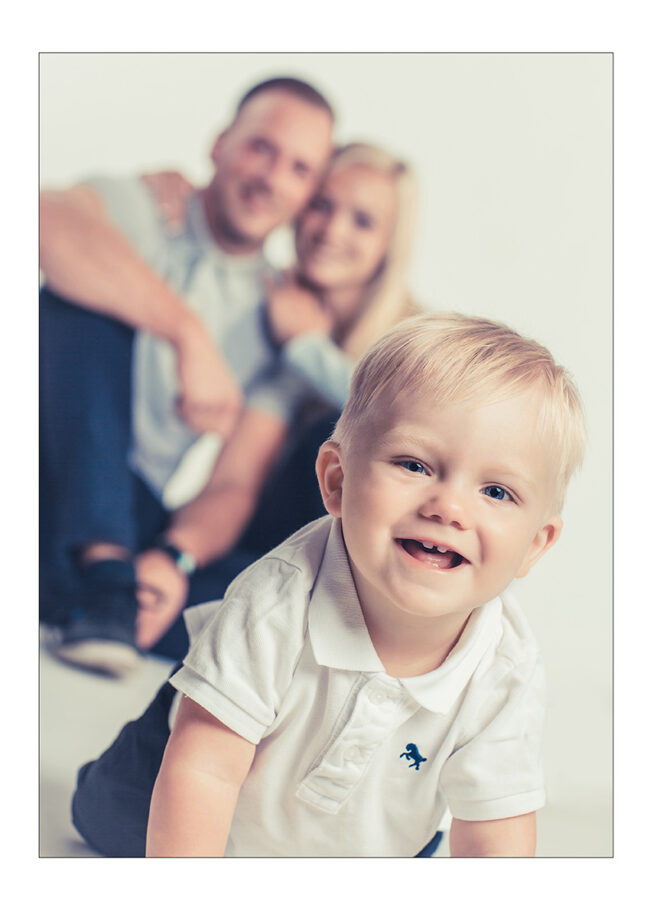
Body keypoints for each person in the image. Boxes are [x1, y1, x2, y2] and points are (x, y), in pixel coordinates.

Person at [71, 313, 586, 857]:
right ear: (337, 481)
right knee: (110, 814)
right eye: (414, 465)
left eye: (498, 492)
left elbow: (495, 829)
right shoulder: (278, 598)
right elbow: (205, 767)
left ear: (534, 545)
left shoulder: (506, 667)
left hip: (367, 836)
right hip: (198, 774)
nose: (449, 508)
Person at [39, 77, 335, 675]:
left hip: (132, 509)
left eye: (299, 169)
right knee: (83, 303)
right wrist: (186, 333)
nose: (272, 178)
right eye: (261, 148)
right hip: (42, 462)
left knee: (266, 608)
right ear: (219, 143)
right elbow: (43, 220)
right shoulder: (148, 209)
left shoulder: (277, 313)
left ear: (307, 193)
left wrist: (174, 561)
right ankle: (101, 581)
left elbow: (233, 483)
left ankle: (113, 589)